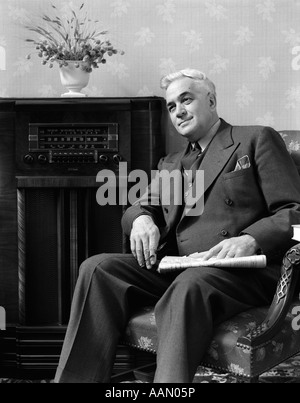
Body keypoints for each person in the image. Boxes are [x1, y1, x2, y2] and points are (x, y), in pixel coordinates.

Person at [54, 68, 300, 383]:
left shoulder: (255, 138)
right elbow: (140, 205)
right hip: (183, 264)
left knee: (189, 284)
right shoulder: (171, 163)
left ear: (211, 100)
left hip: (244, 270)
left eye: (186, 99)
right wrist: (141, 217)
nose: (178, 111)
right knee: (97, 268)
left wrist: (251, 238)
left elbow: (294, 211)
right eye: (171, 106)